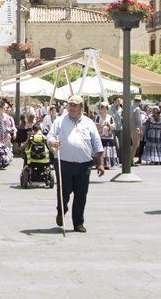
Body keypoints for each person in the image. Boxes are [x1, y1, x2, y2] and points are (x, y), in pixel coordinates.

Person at [46, 95, 104, 233]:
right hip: (64, 162)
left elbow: (97, 144)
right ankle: (61, 211)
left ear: (81, 108)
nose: (71, 108)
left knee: (81, 194)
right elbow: (50, 135)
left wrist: (101, 164)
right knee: (63, 192)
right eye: (70, 105)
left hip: (84, 164)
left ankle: (78, 223)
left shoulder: (89, 123)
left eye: (75, 105)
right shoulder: (60, 121)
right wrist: (53, 142)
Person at [0, 103, 15, 169]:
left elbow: (8, 125)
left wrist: (9, 132)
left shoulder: (6, 116)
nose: (6, 109)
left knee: (4, 149)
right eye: (5, 107)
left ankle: (3, 162)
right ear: (1, 108)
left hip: (4, 135)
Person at [95, 102, 119, 169]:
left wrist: (109, 125)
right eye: (102, 108)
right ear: (100, 109)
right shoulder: (98, 117)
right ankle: (100, 164)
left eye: (105, 108)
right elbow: (96, 127)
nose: (104, 110)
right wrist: (102, 126)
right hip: (101, 136)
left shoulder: (110, 117)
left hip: (109, 136)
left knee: (108, 150)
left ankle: (108, 164)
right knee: (101, 150)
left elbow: (114, 127)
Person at [131, 97, 144, 161]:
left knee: (133, 144)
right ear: (140, 101)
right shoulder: (137, 108)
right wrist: (141, 129)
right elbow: (139, 120)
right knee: (135, 144)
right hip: (136, 128)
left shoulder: (130, 107)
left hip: (129, 127)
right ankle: (130, 160)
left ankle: (131, 159)